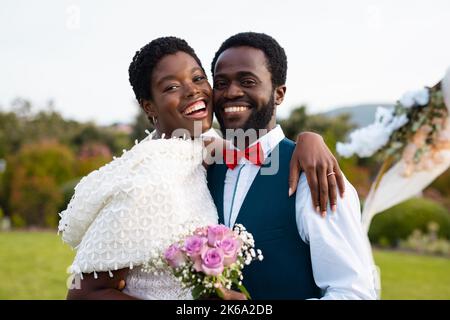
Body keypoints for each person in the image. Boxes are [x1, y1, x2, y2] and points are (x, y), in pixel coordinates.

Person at [59, 36, 345, 300]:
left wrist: (309, 139)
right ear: (149, 107)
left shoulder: (201, 150)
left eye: (198, 78)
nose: (192, 91)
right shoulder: (145, 180)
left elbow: (254, 148)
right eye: (171, 87)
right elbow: (84, 295)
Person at [207, 32, 378, 299]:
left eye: (248, 81)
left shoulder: (314, 176)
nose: (232, 92)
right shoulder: (206, 168)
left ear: (279, 93)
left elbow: (353, 293)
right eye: (221, 83)